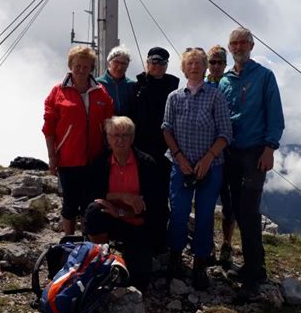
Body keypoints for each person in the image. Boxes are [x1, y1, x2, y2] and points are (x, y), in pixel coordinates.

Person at [219, 28, 285, 298]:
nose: (238, 47)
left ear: (252, 45)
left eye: (243, 42)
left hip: (256, 152)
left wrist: (269, 148)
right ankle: (251, 266)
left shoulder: (264, 76)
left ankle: (255, 271)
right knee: (235, 208)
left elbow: (275, 115)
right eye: (234, 43)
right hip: (231, 153)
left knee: (248, 210)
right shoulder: (224, 80)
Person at [162, 48, 232, 290]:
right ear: (183, 68)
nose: (194, 67)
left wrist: (208, 158)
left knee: (204, 215)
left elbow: (225, 132)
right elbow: (167, 129)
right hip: (181, 165)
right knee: (178, 213)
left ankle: (200, 264)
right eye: (189, 63)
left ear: (205, 68)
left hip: (210, 167)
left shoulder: (215, 96)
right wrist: (180, 157)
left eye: (199, 63)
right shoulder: (174, 97)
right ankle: (175, 258)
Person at [42, 45, 114, 236]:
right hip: (68, 158)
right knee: (70, 203)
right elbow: (48, 128)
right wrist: (52, 157)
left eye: (86, 66)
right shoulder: (58, 92)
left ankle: (87, 243)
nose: (82, 70)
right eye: (77, 66)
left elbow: (108, 123)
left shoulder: (101, 92)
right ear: (70, 66)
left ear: (91, 68)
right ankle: (68, 240)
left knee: (90, 203)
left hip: (95, 158)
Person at [84, 116, 159, 291]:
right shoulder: (100, 163)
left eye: (126, 135)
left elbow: (155, 205)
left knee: (138, 283)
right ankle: (102, 257)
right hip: (110, 221)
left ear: (132, 138)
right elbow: (90, 195)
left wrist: (123, 213)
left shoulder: (146, 163)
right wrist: (120, 197)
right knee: (94, 210)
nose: (120, 140)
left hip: (137, 225)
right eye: (115, 135)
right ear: (108, 138)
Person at [133, 46, 179, 254]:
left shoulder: (175, 87)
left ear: (166, 65)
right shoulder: (137, 86)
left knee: (161, 198)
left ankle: (159, 242)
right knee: (142, 195)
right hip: (141, 150)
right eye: (154, 62)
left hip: (166, 151)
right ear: (147, 63)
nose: (157, 66)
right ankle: (141, 238)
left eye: (161, 63)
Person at [206, 45, 235, 268]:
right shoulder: (201, 86)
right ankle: (207, 245)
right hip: (206, 152)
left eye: (219, 62)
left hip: (230, 152)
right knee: (206, 202)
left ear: (225, 64)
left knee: (229, 203)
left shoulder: (231, 86)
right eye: (212, 62)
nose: (215, 66)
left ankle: (226, 244)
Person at [96, 46, 136, 117]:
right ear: (109, 63)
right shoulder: (97, 84)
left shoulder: (132, 86)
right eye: (116, 62)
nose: (119, 67)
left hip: (127, 127)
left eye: (123, 64)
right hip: (103, 126)